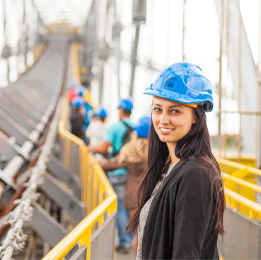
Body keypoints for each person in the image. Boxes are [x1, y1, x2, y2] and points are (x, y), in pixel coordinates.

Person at [127, 62, 225, 259]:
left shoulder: (194, 175)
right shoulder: (169, 167)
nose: (163, 119)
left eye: (175, 111)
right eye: (157, 109)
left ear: (195, 117)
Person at [88, 98, 135, 253]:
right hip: (133, 172)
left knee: (120, 207)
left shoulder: (115, 128)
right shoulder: (135, 128)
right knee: (130, 207)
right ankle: (132, 239)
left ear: (120, 110)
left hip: (116, 171)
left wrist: (91, 148)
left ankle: (125, 241)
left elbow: (104, 148)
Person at [98, 115, 151, 255]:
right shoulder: (157, 150)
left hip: (134, 196)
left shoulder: (129, 149)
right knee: (151, 234)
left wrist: (98, 163)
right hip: (152, 194)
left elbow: (114, 164)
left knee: (139, 234)